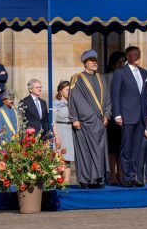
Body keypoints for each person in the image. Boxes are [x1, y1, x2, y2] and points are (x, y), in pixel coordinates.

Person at [69, 49, 111, 189]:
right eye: (91, 60)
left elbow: (107, 100)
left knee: (99, 152)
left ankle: (97, 179)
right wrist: (74, 118)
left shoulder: (101, 78)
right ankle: (86, 179)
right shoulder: (78, 78)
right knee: (85, 152)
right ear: (85, 63)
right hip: (84, 123)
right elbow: (73, 99)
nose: (94, 62)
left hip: (100, 122)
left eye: (95, 60)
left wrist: (107, 115)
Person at [111, 45, 147, 187]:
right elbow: (115, 95)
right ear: (128, 57)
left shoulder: (144, 73)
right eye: (135, 54)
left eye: (139, 54)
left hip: (140, 116)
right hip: (127, 115)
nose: (138, 56)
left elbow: (145, 95)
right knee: (126, 148)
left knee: (137, 148)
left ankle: (133, 176)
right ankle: (126, 177)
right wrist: (117, 115)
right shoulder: (120, 73)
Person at [104, 51, 126, 184]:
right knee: (113, 148)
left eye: (124, 61)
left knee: (121, 148)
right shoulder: (107, 77)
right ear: (113, 64)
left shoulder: (125, 75)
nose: (123, 64)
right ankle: (112, 174)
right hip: (112, 116)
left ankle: (121, 174)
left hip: (124, 116)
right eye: (120, 61)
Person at [52, 80, 74, 184]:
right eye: (67, 90)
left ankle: (67, 181)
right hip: (60, 131)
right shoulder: (56, 104)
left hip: (70, 131)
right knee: (60, 158)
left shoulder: (72, 103)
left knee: (68, 158)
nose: (69, 92)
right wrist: (57, 136)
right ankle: (59, 180)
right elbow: (53, 121)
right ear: (61, 91)